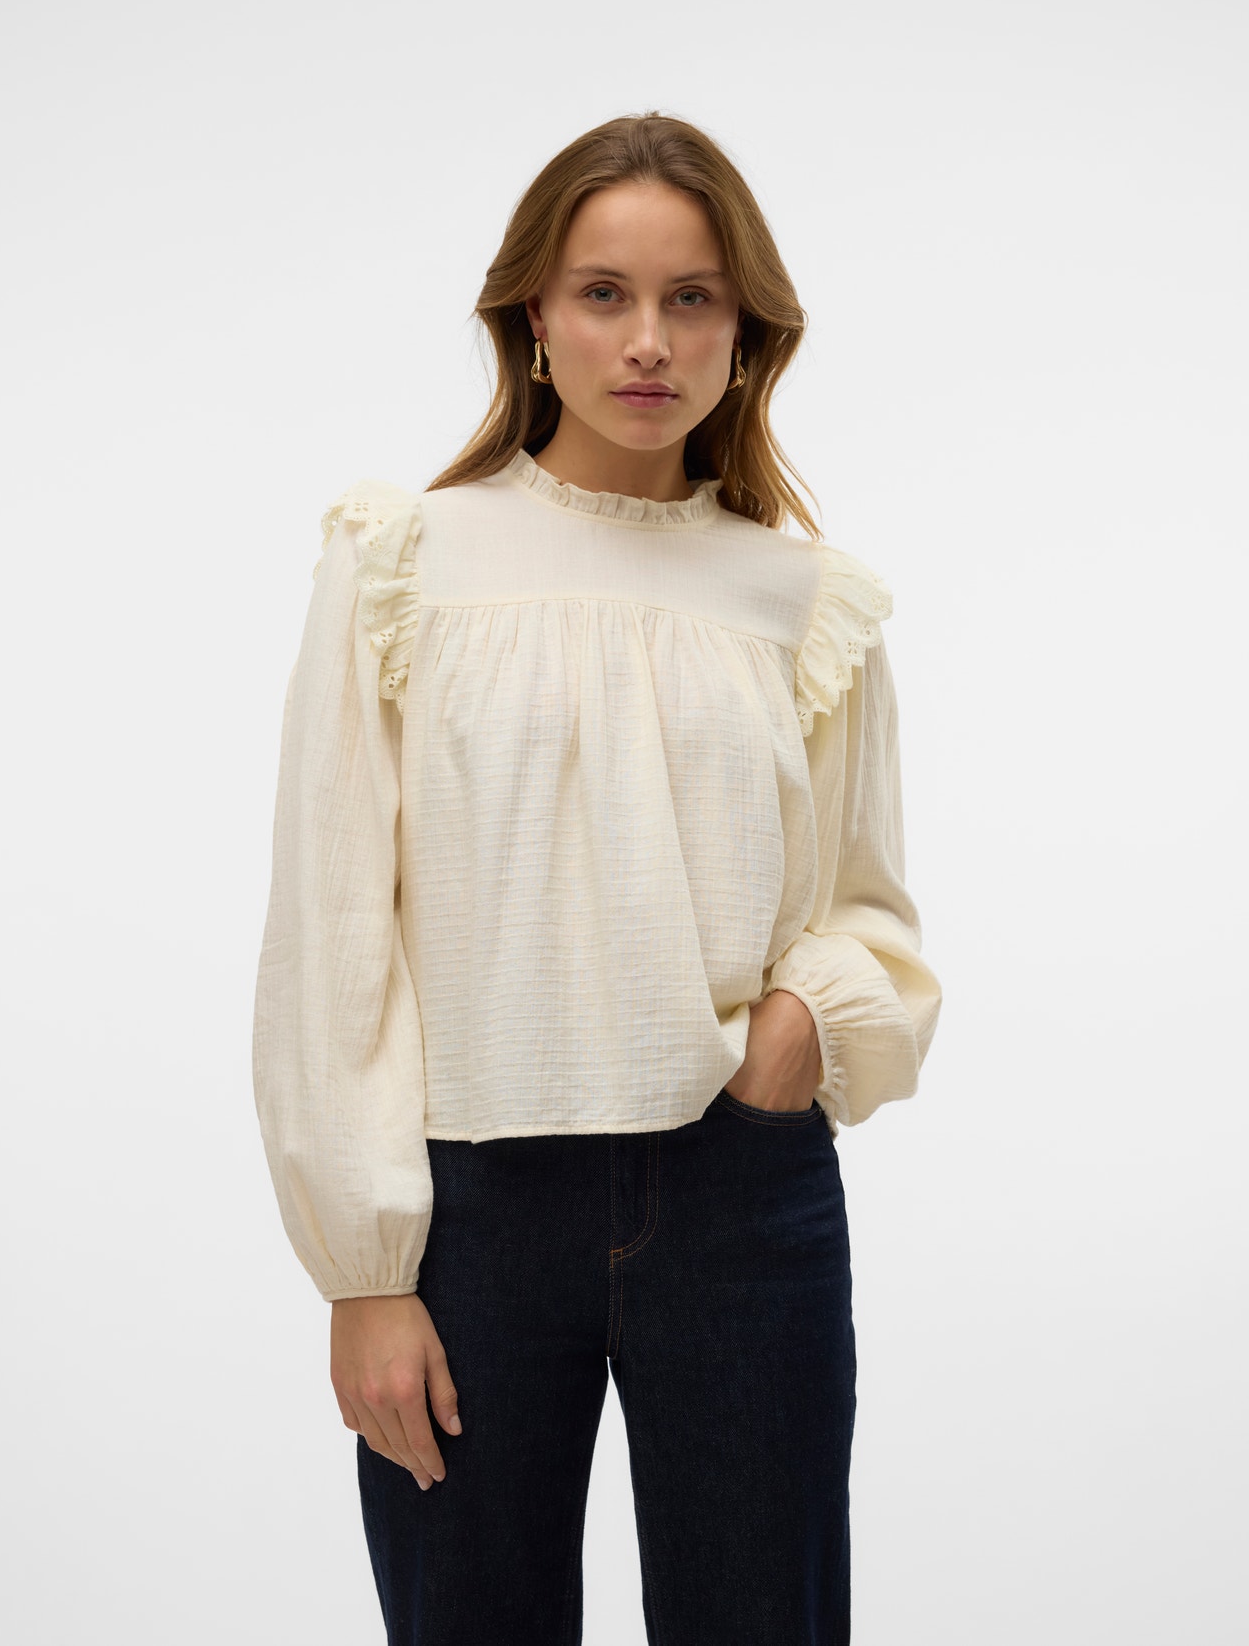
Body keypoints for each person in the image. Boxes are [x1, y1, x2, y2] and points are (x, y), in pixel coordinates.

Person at [252, 111, 943, 1646]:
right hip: (468, 1213)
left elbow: (868, 912)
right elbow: (331, 925)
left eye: (693, 298)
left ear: (747, 335)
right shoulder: (406, 562)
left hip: (740, 1189)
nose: (649, 341)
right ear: (533, 319)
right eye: (604, 293)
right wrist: (363, 1270)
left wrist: (791, 1041)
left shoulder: (802, 599)